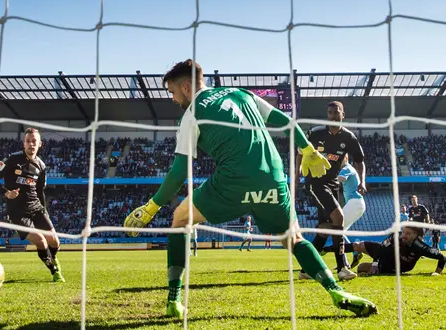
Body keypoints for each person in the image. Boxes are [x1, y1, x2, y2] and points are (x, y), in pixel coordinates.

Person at [124, 59, 377, 320]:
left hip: (233, 182)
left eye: (173, 93)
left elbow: (180, 171)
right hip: (274, 178)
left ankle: (174, 300)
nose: (174, 99)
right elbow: (283, 120)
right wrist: (307, 148)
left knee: (180, 217)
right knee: (294, 238)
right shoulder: (242, 94)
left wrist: (151, 207)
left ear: (186, 87)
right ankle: (337, 292)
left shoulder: (192, 114)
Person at [298, 101, 367, 281]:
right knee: (339, 218)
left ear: (343, 114)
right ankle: (343, 268)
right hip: (315, 182)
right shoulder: (315, 133)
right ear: (327, 114)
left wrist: (362, 181)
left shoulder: (349, 138)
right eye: (330, 112)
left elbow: (359, 161)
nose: (333, 116)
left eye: (336, 112)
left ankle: (306, 269)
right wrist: (297, 172)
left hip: (333, 184)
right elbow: (299, 151)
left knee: (324, 229)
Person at [0, 127, 65, 282]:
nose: (31, 144)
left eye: (34, 141)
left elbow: (40, 192)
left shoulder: (41, 166)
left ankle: (52, 258)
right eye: (28, 141)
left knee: (55, 241)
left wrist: (44, 210)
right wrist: (6, 192)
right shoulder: (12, 159)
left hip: (37, 208)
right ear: (23, 144)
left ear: (40, 144)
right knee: (40, 240)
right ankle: (55, 272)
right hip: (17, 212)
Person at [329, 226, 446, 276]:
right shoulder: (397, 236)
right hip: (384, 253)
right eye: (404, 232)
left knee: (361, 268)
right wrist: (375, 264)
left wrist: (437, 272)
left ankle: (374, 266)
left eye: (408, 234)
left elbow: (442, 257)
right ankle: (326, 249)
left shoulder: (420, 246)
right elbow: (381, 248)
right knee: (357, 245)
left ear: (415, 235)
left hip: (393, 265)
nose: (404, 236)